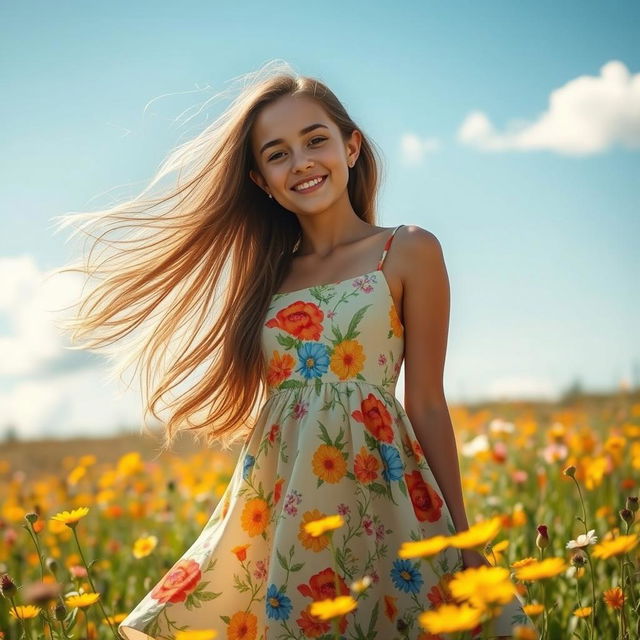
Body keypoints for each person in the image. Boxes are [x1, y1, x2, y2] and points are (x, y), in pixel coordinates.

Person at [53, 60, 536, 639]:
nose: (302, 162)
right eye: (277, 153)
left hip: (383, 486)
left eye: (315, 140)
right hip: (282, 503)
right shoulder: (266, 277)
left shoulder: (407, 251)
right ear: (260, 180)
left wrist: (462, 535)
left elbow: (428, 402)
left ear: (350, 147)